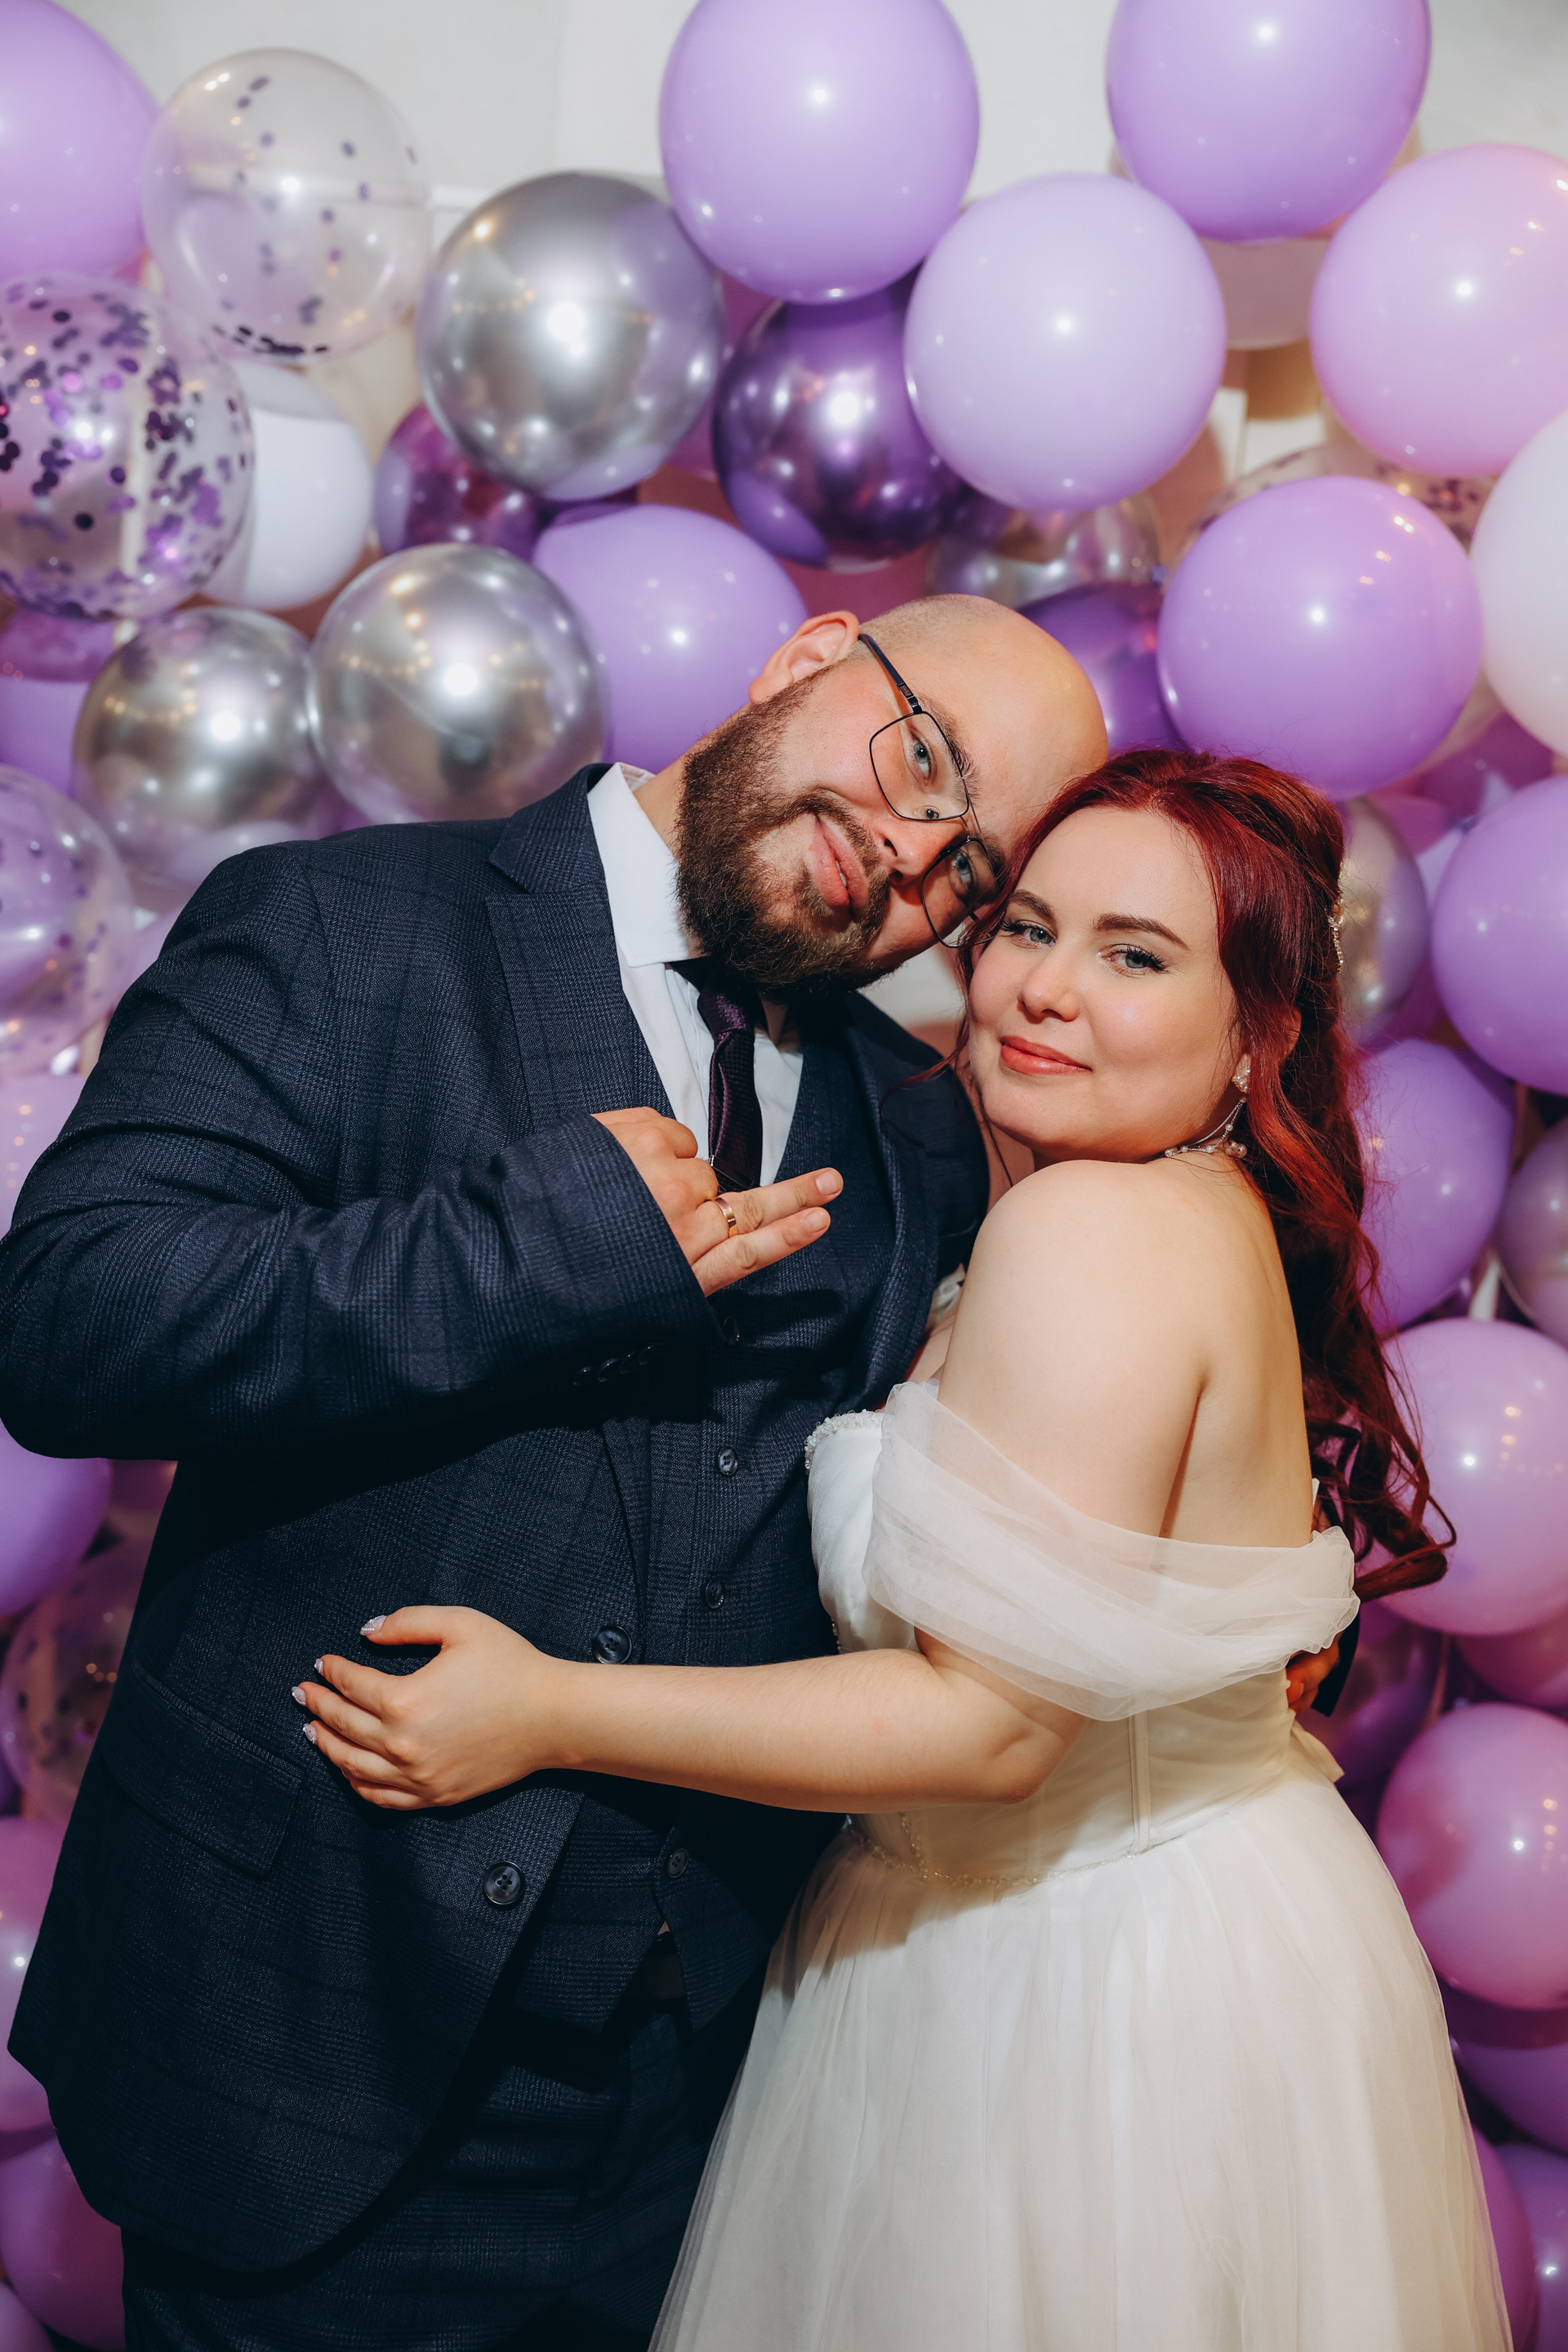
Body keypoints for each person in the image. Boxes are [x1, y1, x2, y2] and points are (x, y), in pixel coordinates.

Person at [0, 595, 1124, 2351]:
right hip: (305, 2050)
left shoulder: (919, 1123)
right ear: (809, 657)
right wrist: (533, 1247)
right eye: (922, 760)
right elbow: (73, 1321)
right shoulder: (342, 925)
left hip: (701, 2109)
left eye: (970, 867)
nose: (911, 855)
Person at [295, 749, 1508, 2351]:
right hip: (1140, 1923)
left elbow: (989, 1729)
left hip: (1076, 1986)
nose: (1045, 988)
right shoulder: (1172, 1206)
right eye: (1029, 927)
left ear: (1251, 1040)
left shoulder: (1092, 1229)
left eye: (1136, 956)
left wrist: (542, 1708)